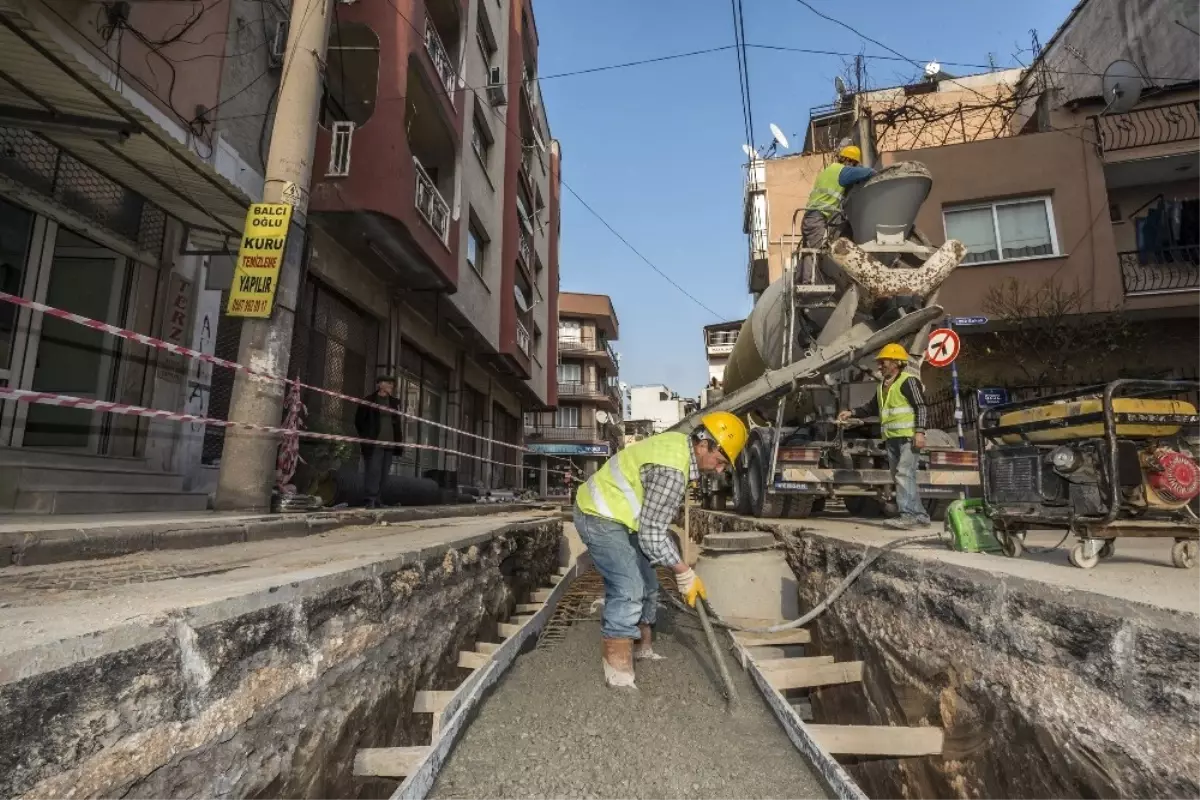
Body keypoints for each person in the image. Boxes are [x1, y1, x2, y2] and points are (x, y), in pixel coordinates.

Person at [573, 411, 749, 689]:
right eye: (720, 461)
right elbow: (653, 534)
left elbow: (651, 530)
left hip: (623, 517)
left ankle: (643, 646)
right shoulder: (673, 470)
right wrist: (684, 572)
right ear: (704, 445)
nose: (718, 470)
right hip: (599, 513)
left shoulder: (677, 449)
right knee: (629, 588)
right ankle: (617, 671)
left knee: (648, 581)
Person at [838, 343, 930, 530]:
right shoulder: (882, 386)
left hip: (908, 437)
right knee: (902, 476)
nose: (879, 366)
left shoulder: (908, 381)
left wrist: (920, 432)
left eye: (883, 362)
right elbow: (871, 408)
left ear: (896, 362)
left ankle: (907, 515)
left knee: (904, 474)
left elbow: (921, 406)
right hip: (892, 438)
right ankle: (920, 515)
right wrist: (851, 412)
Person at [799, 144, 875, 283]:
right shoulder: (844, 172)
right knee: (814, 251)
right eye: (854, 164)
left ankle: (803, 279)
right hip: (817, 217)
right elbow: (869, 172)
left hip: (812, 217)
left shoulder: (829, 170)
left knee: (809, 250)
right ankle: (809, 283)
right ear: (850, 161)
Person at [354, 374, 404, 508]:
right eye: (388, 384)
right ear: (380, 385)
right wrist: (367, 436)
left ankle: (378, 499)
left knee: (384, 473)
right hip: (375, 443)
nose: (391, 386)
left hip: (390, 443)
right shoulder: (369, 400)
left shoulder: (394, 403)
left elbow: (397, 423)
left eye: (392, 384)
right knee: (373, 471)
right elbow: (359, 421)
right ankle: (369, 499)